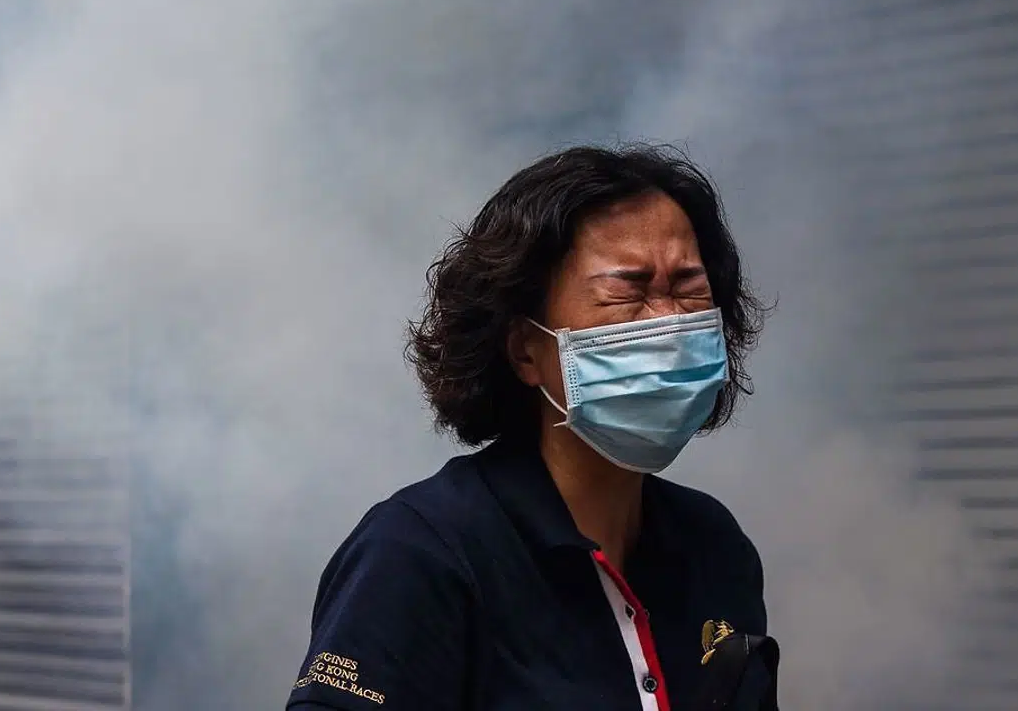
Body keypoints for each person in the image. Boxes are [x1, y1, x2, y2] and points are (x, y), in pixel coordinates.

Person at [286, 144, 772, 711]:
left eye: (690, 289)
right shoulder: (421, 552)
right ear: (525, 350)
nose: (669, 323)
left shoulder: (714, 547)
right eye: (628, 291)